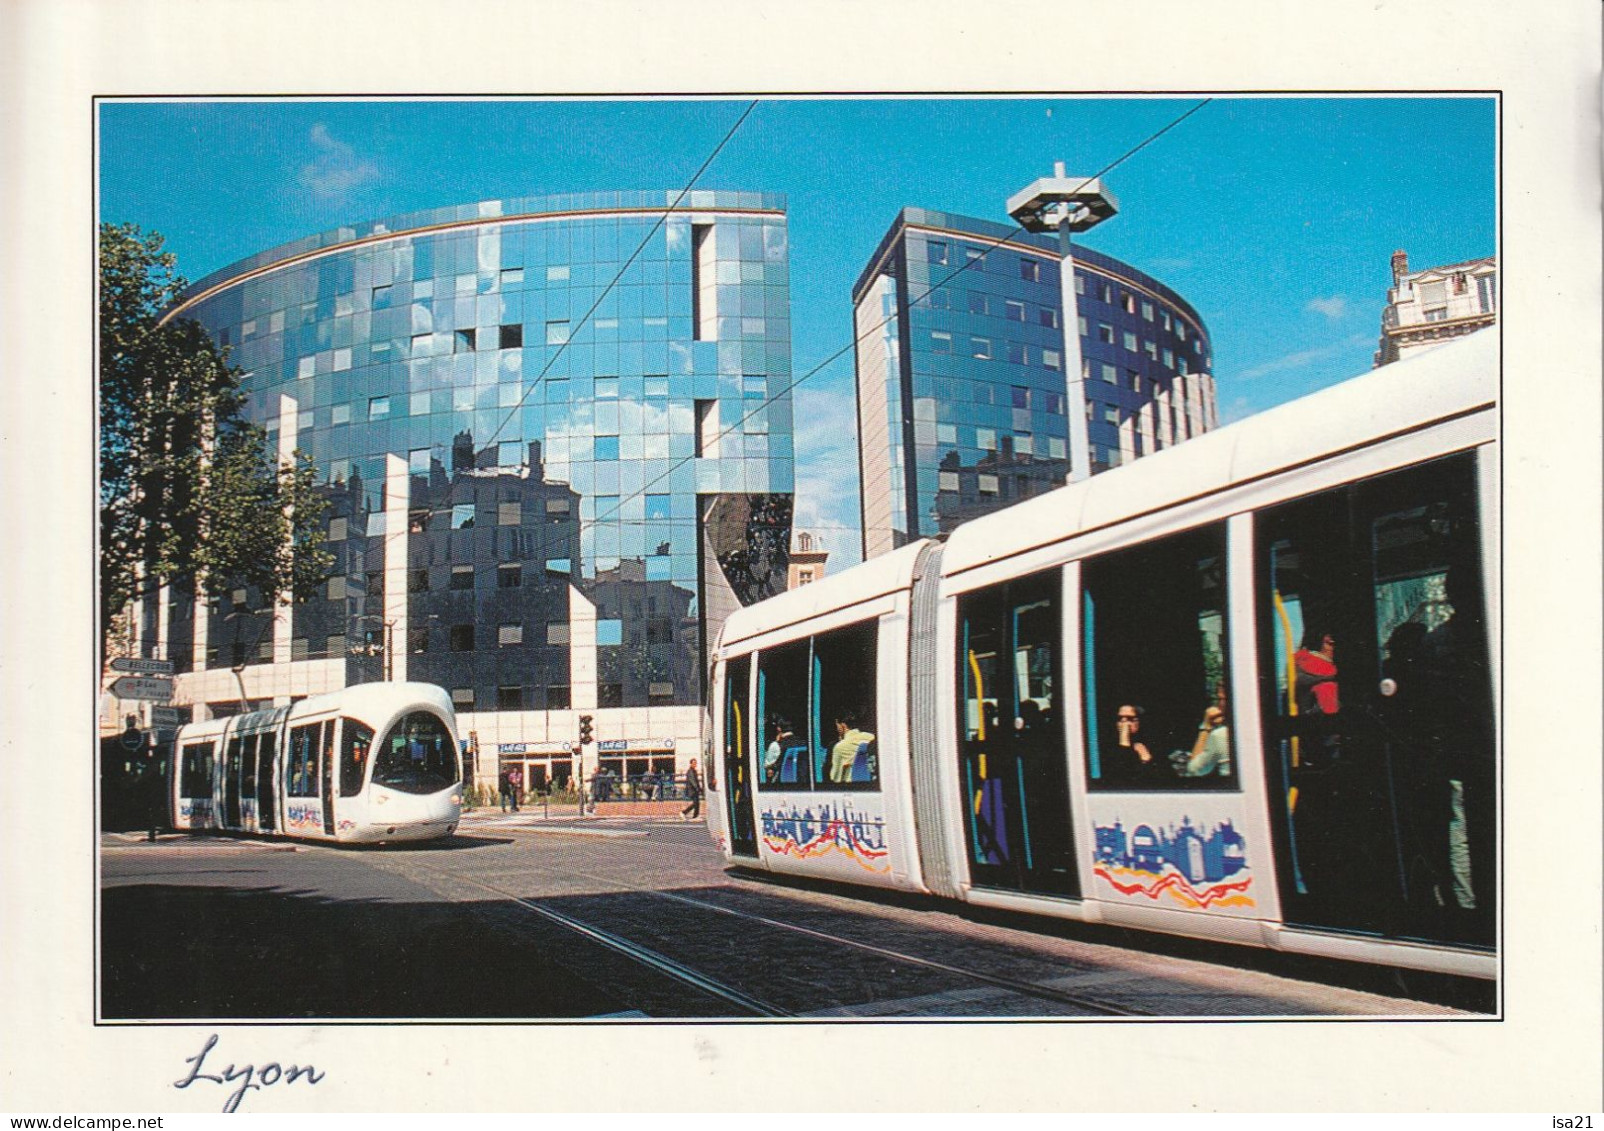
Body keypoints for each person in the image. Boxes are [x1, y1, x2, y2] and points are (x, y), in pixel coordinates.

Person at [1180, 688, 1231, 777]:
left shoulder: (1220, 735)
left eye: (1220, 699)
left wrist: (1206, 726)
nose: (1218, 706)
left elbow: (1193, 770)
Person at [1103, 704, 1158, 786]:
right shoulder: (1105, 748)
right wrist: (1124, 741)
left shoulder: (1152, 745)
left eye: (1130, 719)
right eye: (1120, 719)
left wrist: (1146, 760)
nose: (1124, 723)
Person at [828, 712, 876, 783]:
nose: (836, 728)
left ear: (843, 725)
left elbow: (835, 778)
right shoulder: (872, 737)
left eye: (837, 725)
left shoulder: (840, 747)